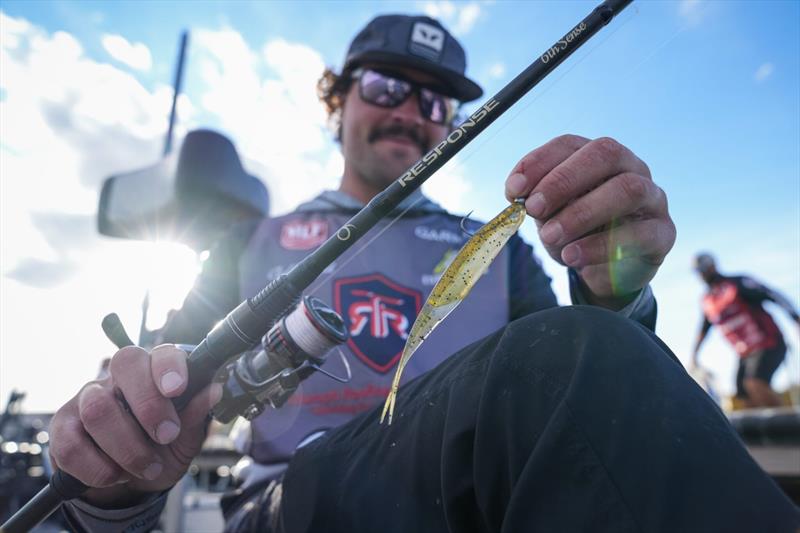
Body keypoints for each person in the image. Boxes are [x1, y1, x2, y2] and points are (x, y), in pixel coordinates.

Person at [46, 15, 798, 533]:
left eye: (434, 100)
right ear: (336, 101)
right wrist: (123, 442)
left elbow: (589, 388)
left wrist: (618, 287)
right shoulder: (250, 240)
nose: (410, 111)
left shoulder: (497, 247)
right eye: (384, 88)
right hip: (284, 506)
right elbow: (153, 403)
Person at [691, 252, 800, 408]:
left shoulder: (737, 283)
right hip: (745, 352)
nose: (702, 274)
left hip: (768, 342)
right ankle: (754, 431)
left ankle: (790, 428)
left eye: (704, 268)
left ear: (713, 266)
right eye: (699, 271)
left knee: (754, 383)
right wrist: (694, 354)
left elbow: (774, 295)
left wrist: (796, 319)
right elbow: (703, 328)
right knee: (742, 394)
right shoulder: (708, 301)